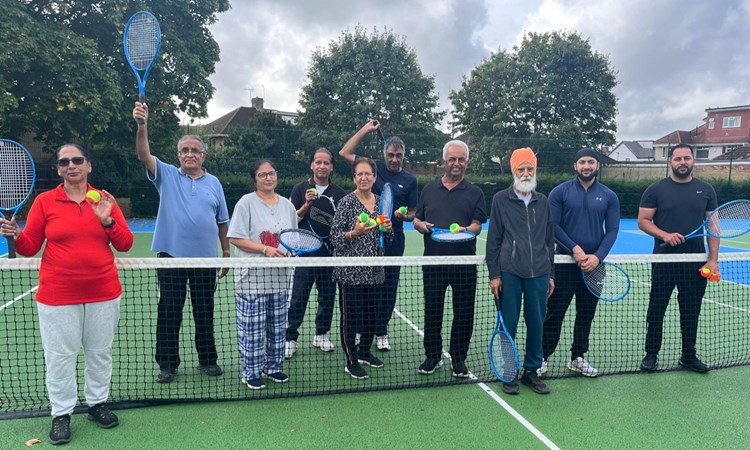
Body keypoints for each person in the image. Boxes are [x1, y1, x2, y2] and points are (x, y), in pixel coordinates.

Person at [0, 144, 133, 445]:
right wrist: (16, 235)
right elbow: (30, 246)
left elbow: (124, 244)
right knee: (60, 358)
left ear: (88, 165)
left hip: (104, 292)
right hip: (58, 295)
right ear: (58, 169)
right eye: (64, 162)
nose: (71, 165)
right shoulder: (46, 202)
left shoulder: (106, 200)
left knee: (100, 353)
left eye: (77, 160)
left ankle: (97, 404)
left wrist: (107, 220)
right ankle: (61, 413)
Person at [133, 102, 230, 383]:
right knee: (169, 313)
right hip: (171, 257)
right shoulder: (165, 174)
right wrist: (142, 125)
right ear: (178, 155)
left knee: (204, 312)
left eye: (194, 150)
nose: (189, 154)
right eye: (184, 150)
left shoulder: (214, 183)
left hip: (205, 260)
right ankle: (167, 365)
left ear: (203, 155)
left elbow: (222, 220)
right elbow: (144, 155)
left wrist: (226, 252)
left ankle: (208, 360)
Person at [637, 143, 719, 373]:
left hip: (695, 262)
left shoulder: (706, 190)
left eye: (687, 158)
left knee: (691, 310)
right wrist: (665, 235)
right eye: (678, 159)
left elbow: (713, 226)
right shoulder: (655, 190)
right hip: (664, 261)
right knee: (656, 309)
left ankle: (688, 356)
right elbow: (643, 221)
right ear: (670, 162)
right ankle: (651, 354)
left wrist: (712, 260)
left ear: (693, 161)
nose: (682, 162)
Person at [339, 120, 418, 351]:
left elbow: (413, 212)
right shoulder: (374, 169)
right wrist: (365, 129)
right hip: (368, 238)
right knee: (364, 284)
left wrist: (403, 216)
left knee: (388, 287)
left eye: (399, 155)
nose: (395, 159)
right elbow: (345, 152)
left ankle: (381, 331)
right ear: (385, 154)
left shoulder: (410, 180)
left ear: (404, 156)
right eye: (391, 154)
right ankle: (359, 329)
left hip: (395, 239)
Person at [541, 149, 620, 377]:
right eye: (582, 162)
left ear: (597, 165)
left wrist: (597, 256)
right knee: (555, 313)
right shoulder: (559, 192)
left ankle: (578, 357)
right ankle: (542, 357)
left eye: (591, 162)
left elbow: (613, 229)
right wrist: (575, 250)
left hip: (595, 267)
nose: (587, 166)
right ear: (575, 165)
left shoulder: (609, 195)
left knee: (586, 314)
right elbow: (553, 227)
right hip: (564, 264)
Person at [413, 140, 486, 378]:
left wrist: (466, 229)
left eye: (461, 159)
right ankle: (433, 356)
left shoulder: (475, 193)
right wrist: (420, 225)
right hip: (433, 262)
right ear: (444, 161)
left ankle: (458, 358)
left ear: (467, 162)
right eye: (452, 159)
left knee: (464, 313)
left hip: (464, 263)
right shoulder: (429, 190)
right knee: (432, 311)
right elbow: (418, 219)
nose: (456, 163)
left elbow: (477, 226)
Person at [486, 147, 555, 395]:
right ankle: (509, 372)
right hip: (510, 273)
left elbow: (549, 241)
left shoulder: (543, 201)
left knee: (537, 323)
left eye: (530, 169)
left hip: (539, 273)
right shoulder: (500, 200)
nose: (526, 173)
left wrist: (551, 274)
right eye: (521, 169)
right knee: (509, 325)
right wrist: (494, 274)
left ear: (535, 171)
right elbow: (493, 240)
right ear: (513, 171)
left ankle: (532, 371)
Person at [228, 160, 297, 390]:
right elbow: (236, 238)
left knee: (278, 329)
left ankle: (273, 368)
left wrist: (290, 253)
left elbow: (292, 240)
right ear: (255, 179)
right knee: (252, 331)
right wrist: (264, 249)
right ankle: (251, 372)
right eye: (262, 174)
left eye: (271, 173)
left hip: (279, 280)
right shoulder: (245, 203)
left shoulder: (287, 205)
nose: (268, 178)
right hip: (251, 281)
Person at [330, 158, 393, 380]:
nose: (364, 178)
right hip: (350, 271)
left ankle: (365, 352)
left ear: (374, 177)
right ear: (354, 178)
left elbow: (388, 238)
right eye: (360, 174)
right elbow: (335, 237)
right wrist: (353, 233)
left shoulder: (380, 202)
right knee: (350, 317)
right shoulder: (346, 203)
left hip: (376, 269)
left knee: (371, 315)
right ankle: (352, 360)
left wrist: (389, 228)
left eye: (368, 174)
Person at [284, 148, 347, 358]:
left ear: (331, 167)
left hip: (330, 256)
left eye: (326, 163)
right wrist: (306, 205)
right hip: (304, 255)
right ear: (311, 165)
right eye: (318, 162)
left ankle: (321, 334)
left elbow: (343, 225)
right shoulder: (300, 189)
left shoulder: (339, 194)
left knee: (327, 297)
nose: (322, 166)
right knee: (298, 299)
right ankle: (290, 337)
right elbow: (291, 221)